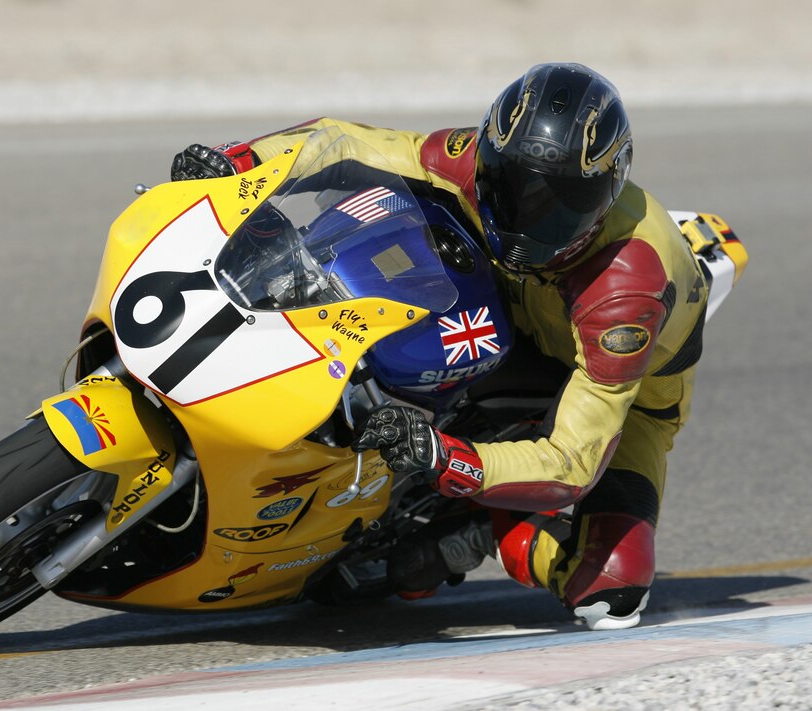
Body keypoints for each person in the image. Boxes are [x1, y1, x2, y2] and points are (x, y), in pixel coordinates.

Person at [170, 63, 709, 630]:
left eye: (559, 203)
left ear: (606, 192)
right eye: (512, 184)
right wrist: (242, 163)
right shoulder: (475, 157)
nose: (529, 215)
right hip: (502, 292)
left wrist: (444, 457)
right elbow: (348, 142)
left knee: (610, 589)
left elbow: (573, 462)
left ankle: (478, 528)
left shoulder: (623, 296)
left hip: (609, 382)